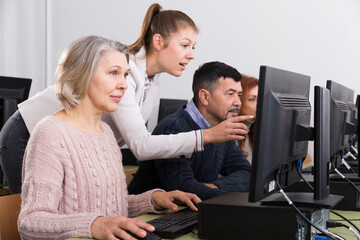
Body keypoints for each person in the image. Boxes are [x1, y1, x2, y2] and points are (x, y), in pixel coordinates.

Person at [0, 3, 252, 194]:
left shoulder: (151, 79)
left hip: (72, 145)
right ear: (158, 41)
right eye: (185, 45)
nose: (191, 55)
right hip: (27, 132)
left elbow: (137, 139)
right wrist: (207, 136)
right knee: (35, 211)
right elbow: (141, 146)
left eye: (193, 47)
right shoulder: (127, 73)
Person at [17, 35, 201, 240]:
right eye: (114, 73)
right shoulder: (50, 133)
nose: (123, 85)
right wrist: (94, 224)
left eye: (125, 75)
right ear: (81, 75)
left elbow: (113, 207)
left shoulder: (105, 132)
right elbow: (31, 222)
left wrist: (154, 199)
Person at [128, 61, 252, 200]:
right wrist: (213, 189)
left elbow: (246, 173)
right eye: (230, 94)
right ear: (204, 97)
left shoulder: (222, 128)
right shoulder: (173, 128)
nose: (238, 102)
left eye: (239, 95)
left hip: (191, 211)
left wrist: (216, 186)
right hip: (149, 216)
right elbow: (183, 187)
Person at [237, 75, 259, 164]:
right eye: (252, 99)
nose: (259, 104)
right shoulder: (230, 135)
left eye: (260, 99)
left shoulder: (252, 130)